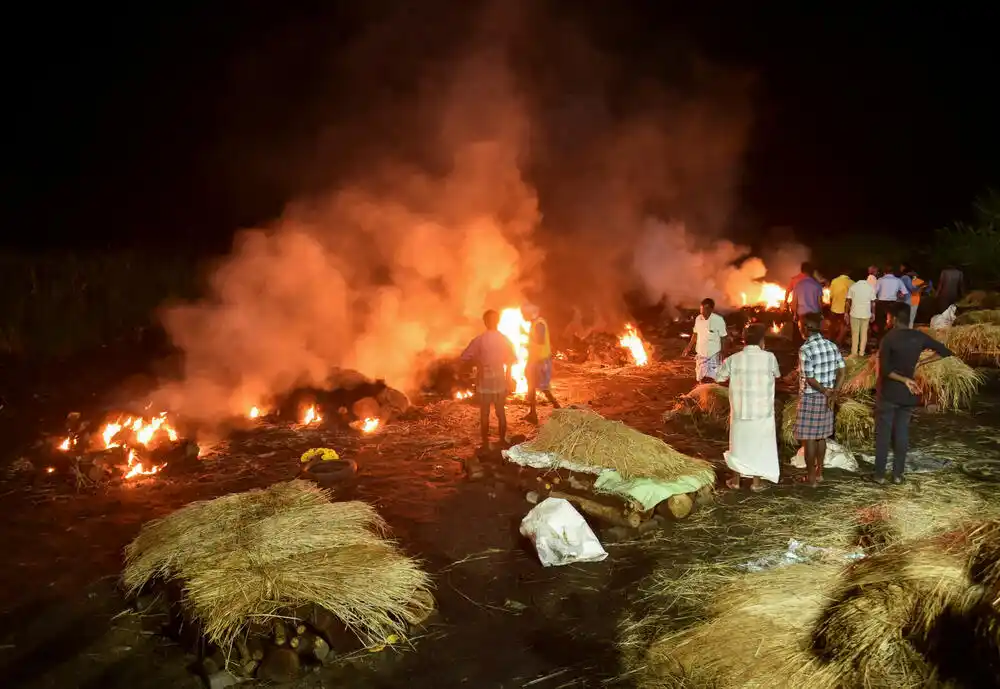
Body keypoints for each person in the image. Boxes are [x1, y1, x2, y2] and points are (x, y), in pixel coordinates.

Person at [873, 302, 954, 484]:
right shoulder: (918, 337)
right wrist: (921, 364)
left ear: (893, 319)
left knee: (884, 434)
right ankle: (898, 475)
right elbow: (945, 352)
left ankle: (879, 475)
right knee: (902, 433)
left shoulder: (889, 339)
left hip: (889, 393)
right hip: (909, 395)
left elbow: (885, 371)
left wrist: (903, 379)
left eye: (888, 317)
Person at [716, 324, 781, 492]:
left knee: (738, 445)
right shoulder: (769, 357)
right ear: (762, 340)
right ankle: (756, 483)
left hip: (740, 410)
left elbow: (719, 376)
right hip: (762, 411)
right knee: (759, 445)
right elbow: (777, 374)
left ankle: (736, 481)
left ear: (744, 340)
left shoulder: (734, 358)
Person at [794, 312, 845, 487]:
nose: (799, 328)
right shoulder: (832, 346)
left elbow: (810, 378)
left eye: (800, 326)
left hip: (811, 397)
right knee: (821, 437)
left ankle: (811, 479)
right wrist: (834, 392)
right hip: (827, 397)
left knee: (809, 438)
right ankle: (820, 473)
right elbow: (842, 371)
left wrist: (824, 390)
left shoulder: (805, 349)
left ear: (807, 328)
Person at [461, 310, 517, 451]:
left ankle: (485, 443)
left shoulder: (479, 340)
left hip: (485, 380)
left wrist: (478, 363)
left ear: (485, 322)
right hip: (498, 380)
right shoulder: (504, 339)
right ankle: (502, 441)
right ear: (497, 321)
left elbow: (464, 356)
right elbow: (512, 359)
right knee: (500, 412)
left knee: (485, 413)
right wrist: (508, 377)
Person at [521, 303, 561, 424]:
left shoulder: (539, 324)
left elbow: (539, 341)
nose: (523, 316)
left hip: (541, 361)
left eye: (524, 314)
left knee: (544, 388)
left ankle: (559, 410)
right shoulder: (535, 324)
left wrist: (526, 340)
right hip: (535, 359)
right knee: (531, 386)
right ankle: (532, 413)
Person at [683, 298, 729, 383]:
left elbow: (723, 337)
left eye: (705, 311)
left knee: (712, 380)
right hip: (701, 354)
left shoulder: (718, 320)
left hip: (713, 355)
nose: (702, 313)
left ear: (711, 309)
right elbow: (695, 334)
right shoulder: (698, 319)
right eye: (701, 310)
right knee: (700, 379)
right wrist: (688, 347)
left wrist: (723, 352)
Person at [790, 267, 823, 345]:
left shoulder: (799, 285)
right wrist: (821, 313)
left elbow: (794, 301)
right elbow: (820, 302)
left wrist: (794, 314)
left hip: (802, 312)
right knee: (814, 333)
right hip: (814, 313)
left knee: (804, 334)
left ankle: (804, 348)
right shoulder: (817, 284)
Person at [845, 273, 876, 356]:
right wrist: (873, 313)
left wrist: (846, 313)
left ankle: (854, 353)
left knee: (855, 334)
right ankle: (861, 352)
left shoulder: (853, 287)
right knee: (864, 333)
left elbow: (848, 302)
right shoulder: (870, 287)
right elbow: (873, 303)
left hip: (854, 313)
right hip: (866, 314)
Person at [873, 267, 906, 341]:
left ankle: (881, 342)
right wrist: (897, 295)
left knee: (880, 324)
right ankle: (891, 342)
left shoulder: (880, 280)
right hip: (892, 303)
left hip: (881, 303)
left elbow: (874, 292)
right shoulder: (898, 280)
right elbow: (903, 294)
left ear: (884, 273)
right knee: (891, 323)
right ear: (892, 272)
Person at [828, 270, 853, 346]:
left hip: (834, 308)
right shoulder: (852, 283)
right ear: (849, 272)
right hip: (845, 310)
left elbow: (831, 296)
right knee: (845, 326)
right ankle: (838, 342)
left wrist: (831, 306)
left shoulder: (834, 281)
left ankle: (830, 341)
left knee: (832, 325)